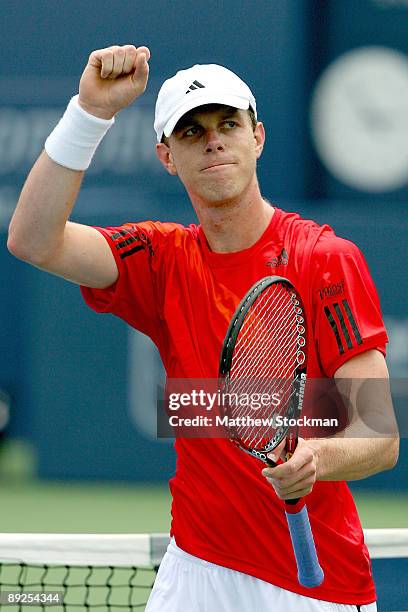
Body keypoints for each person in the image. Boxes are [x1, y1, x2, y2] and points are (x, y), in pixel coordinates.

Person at [8, 45, 399, 612]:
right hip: (197, 568)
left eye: (227, 124)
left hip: (315, 586)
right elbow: (33, 240)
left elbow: (381, 435)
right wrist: (89, 113)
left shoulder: (324, 257)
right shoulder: (162, 257)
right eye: (192, 132)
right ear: (167, 156)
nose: (213, 139)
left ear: (257, 136)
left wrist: (315, 458)